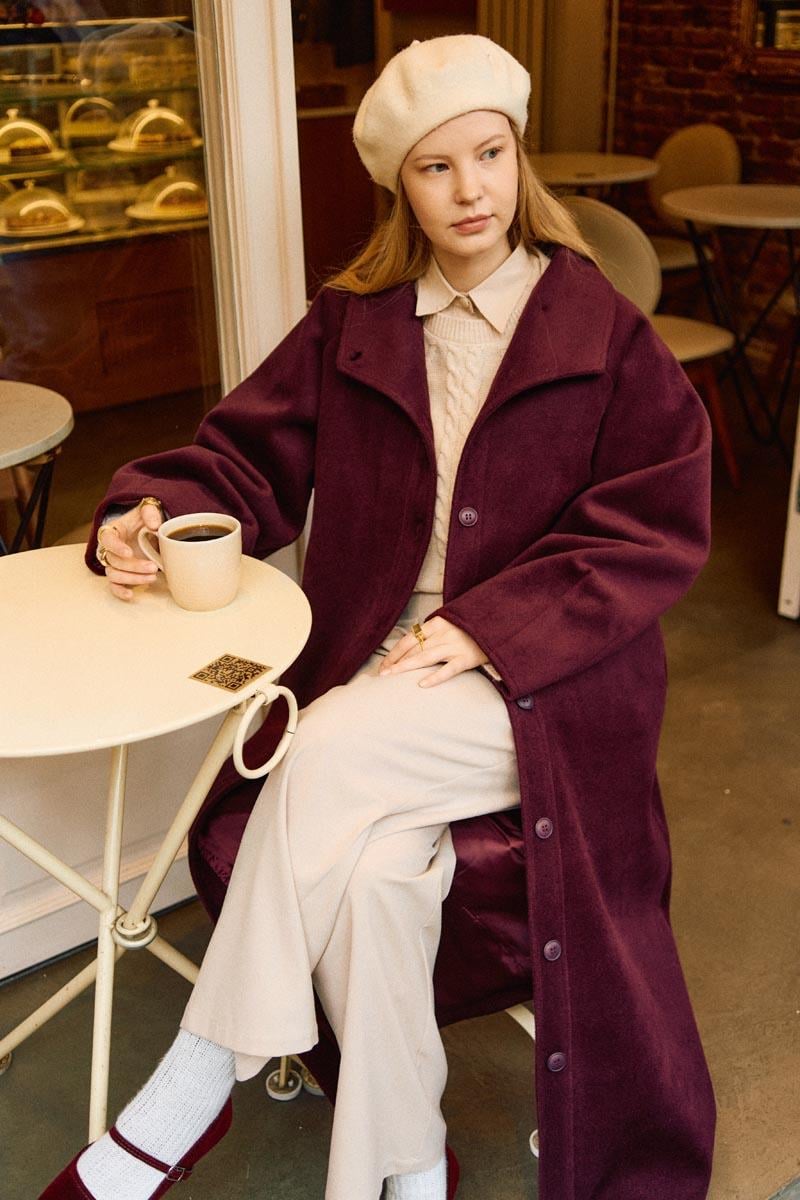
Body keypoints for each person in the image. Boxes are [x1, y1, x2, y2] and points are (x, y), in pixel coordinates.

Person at [39, 33, 716, 1200]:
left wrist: (487, 628)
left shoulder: (599, 329)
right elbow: (241, 455)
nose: (469, 190)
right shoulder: (356, 322)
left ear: (517, 157)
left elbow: (651, 525)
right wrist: (149, 513)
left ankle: (187, 1090)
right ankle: (403, 1173)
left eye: (488, 155)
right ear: (401, 186)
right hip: (385, 672)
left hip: (541, 689)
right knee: (373, 884)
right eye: (434, 167)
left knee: (326, 746)